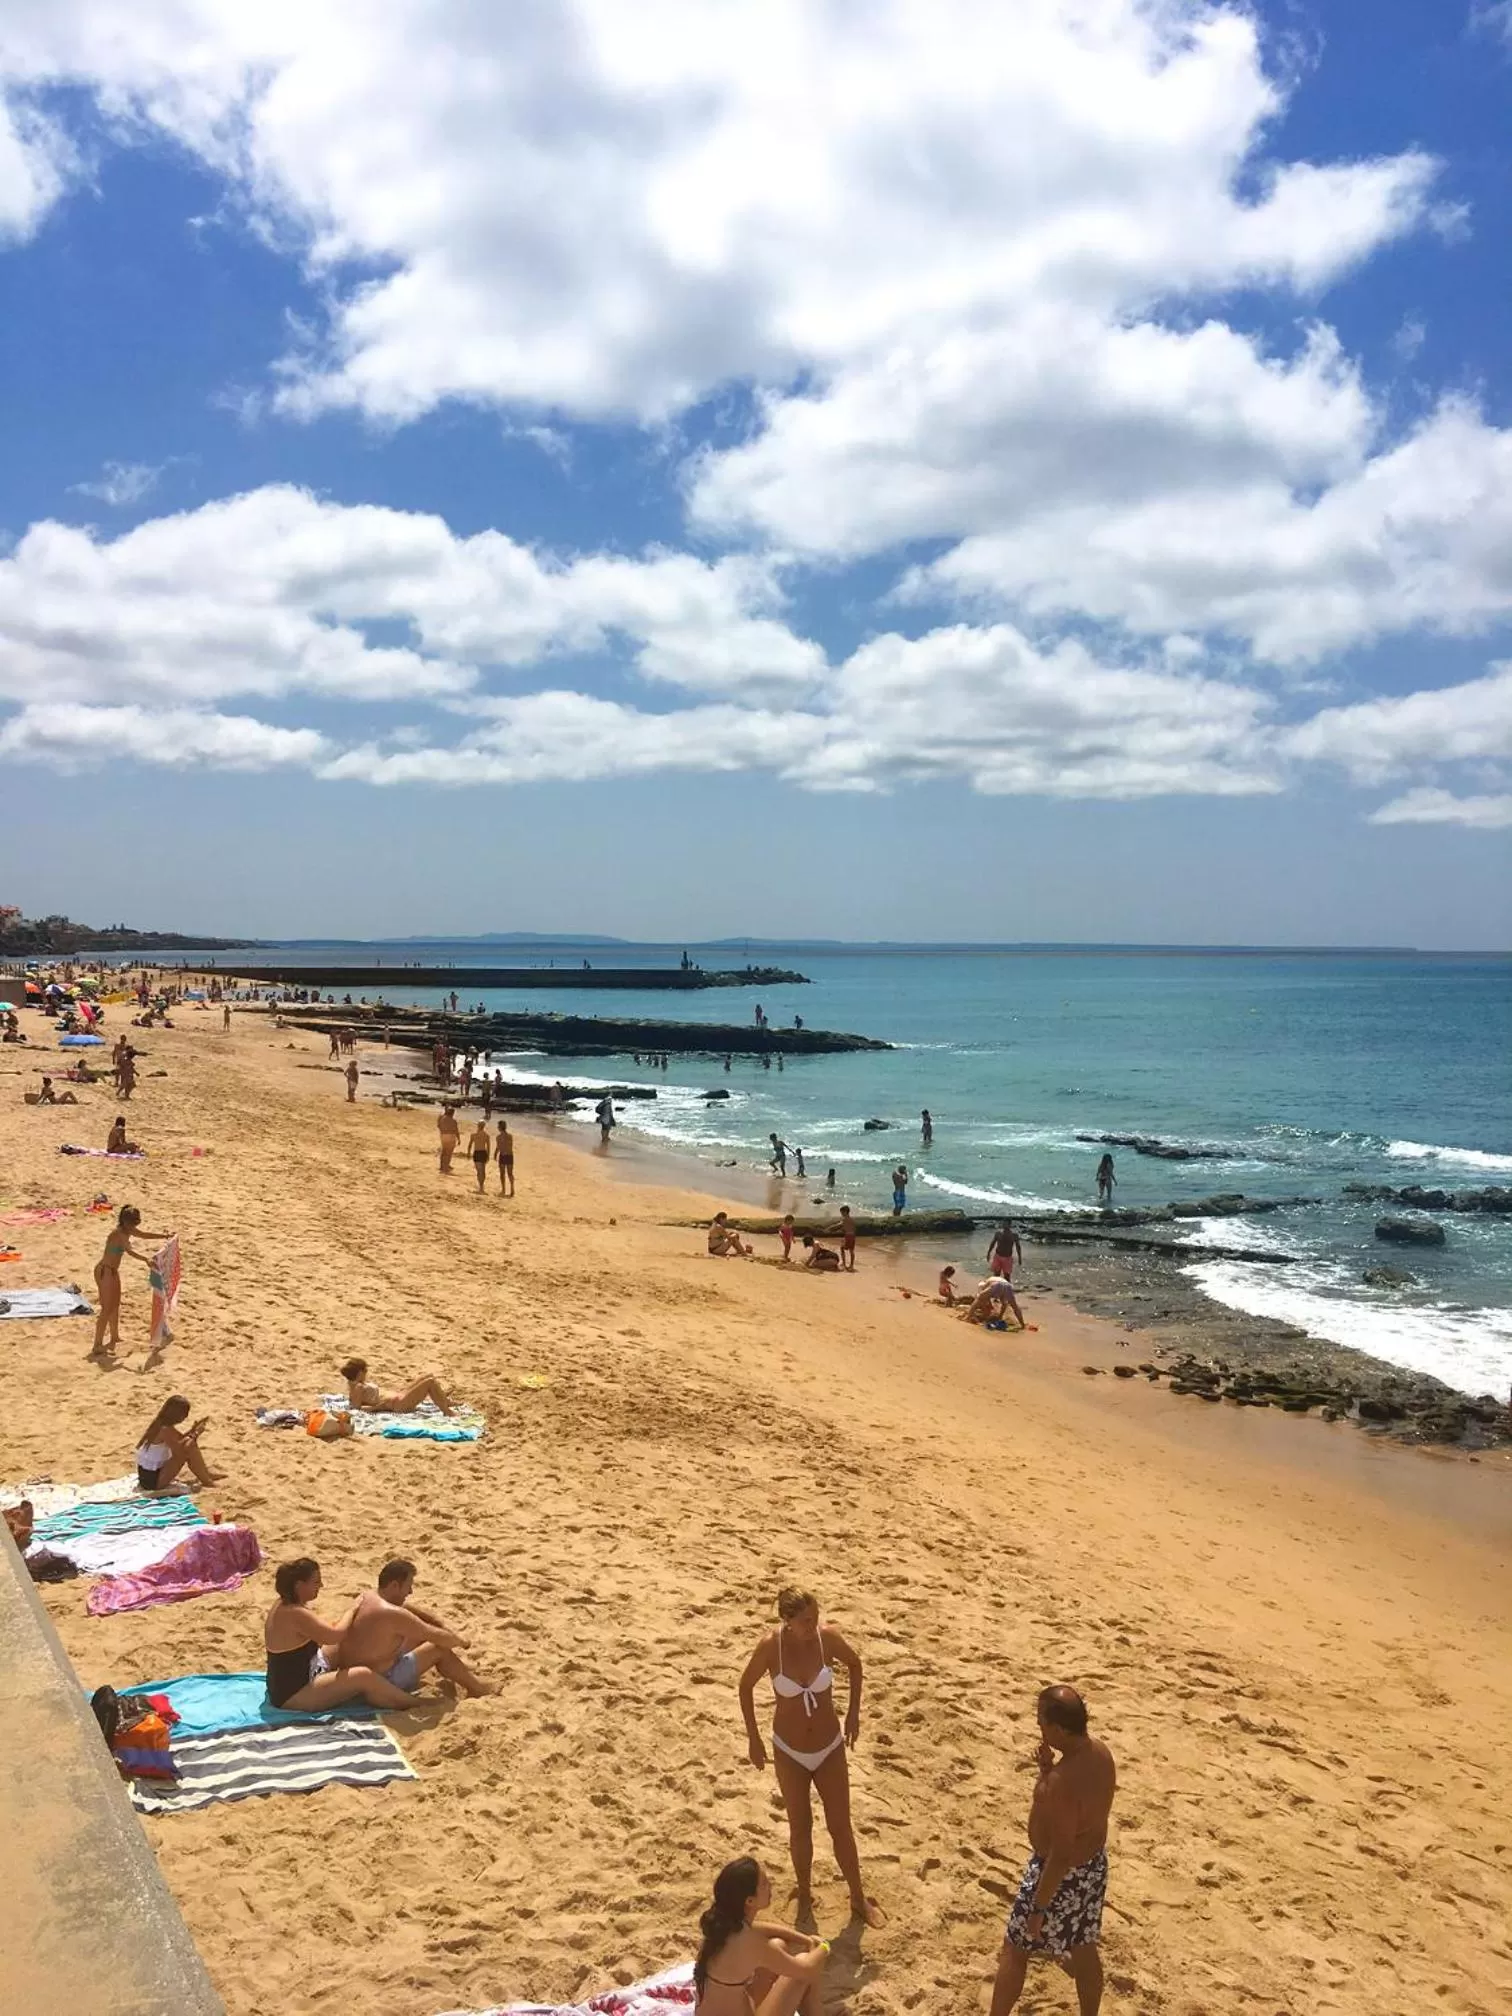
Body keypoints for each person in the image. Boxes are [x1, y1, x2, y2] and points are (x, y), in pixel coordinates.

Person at [739, 1587, 882, 1928]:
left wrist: (853, 1714)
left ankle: (858, 1897)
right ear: (786, 1621)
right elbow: (745, 1687)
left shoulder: (826, 1639)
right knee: (800, 1826)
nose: (813, 1625)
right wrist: (754, 1740)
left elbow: (855, 1664)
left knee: (840, 1826)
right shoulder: (771, 1647)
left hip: (829, 1746)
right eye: (805, 1621)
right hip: (789, 1751)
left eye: (815, 1617)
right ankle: (804, 1894)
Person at [990, 1686, 1117, 2016]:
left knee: (1016, 1949)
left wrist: (1039, 1910)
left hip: (1059, 1875)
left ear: (1059, 1729)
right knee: (1084, 1945)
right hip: (1092, 1868)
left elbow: (1060, 1852)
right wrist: (1047, 1772)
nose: (1040, 1730)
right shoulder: (1101, 1753)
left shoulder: (1064, 1779)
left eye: (1042, 1724)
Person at [264, 1559, 419, 1712]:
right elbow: (335, 1635)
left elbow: (326, 1635)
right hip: (294, 1695)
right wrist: (351, 1610)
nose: (321, 1586)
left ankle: (375, 1682)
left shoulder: (283, 1604)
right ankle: (417, 1703)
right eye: (316, 1582)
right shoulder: (295, 1614)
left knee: (344, 1642)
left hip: (305, 1669)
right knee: (363, 1675)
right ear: (299, 1586)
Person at [333, 1558, 496, 1699]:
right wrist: (461, 1642)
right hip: (381, 1681)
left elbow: (412, 1610)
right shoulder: (392, 1614)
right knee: (438, 1648)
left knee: (422, 1634)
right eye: (408, 1586)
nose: (410, 1591)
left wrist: (440, 1622)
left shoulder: (368, 1597)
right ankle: (477, 1688)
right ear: (395, 1585)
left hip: (356, 1671)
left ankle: (462, 1672)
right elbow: (438, 1637)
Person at [692, 1856, 828, 2016]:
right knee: (806, 1962)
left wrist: (804, 1939)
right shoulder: (752, 1944)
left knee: (779, 1944)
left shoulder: (724, 1926)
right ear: (749, 1900)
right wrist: (823, 1947)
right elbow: (806, 1970)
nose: (770, 1886)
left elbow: (761, 1929)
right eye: (764, 1884)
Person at [89, 1205, 172, 1363]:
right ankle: (97, 1345)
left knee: (115, 1305)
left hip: (112, 1272)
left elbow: (144, 1235)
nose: (135, 1227)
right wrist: (145, 1260)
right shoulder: (118, 1234)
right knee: (107, 1308)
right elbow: (129, 1251)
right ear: (125, 1222)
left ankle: (114, 1336)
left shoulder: (128, 1230)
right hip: (105, 1271)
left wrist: (164, 1236)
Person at [136, 1395, 222, 1488]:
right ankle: (207, 1480)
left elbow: (181, 1439)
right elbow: (180, 1451)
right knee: (189, 1447)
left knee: (190, 1445)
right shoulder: (165, 1429)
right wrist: (196, 1433)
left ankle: (206, 1475)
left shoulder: (161, 1423)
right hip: (152, 1482)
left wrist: (193, 1430)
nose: (185, 1417)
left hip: (149, 1475)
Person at [467, 1117, 492, 1191]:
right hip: (483, 1153)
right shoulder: (486, 1135)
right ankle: (482, 1185)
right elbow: (488, 1147)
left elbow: (470, 1145)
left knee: (479, 1171)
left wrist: (468, 1153)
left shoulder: (473, 1135)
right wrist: (488, 1155)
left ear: (478, 1126)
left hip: (477, 1152)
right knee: (483, 1170)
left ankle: (480, 1185)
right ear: (484, 1126)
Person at [437, 1102, 460, 1174]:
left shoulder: (442, 1118)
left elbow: (439, 1126)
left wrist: (442, 1133)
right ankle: (446, 1166)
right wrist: (459, 1139)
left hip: (444, 1136)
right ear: (452, 1113)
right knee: (449, 1153)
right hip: (451, 1136)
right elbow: (456, 1130)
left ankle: (441, 1166)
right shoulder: (454, 1121)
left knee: (443, 1151)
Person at [494, 1119, 515, 1195]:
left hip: (503, 1155)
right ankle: (512, 1188)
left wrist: (495, 1154)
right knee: (510, 1173)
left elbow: (498, 1147)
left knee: (502, 1173)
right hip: (509, 1155)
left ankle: (503, 1190)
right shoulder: (510, 1136)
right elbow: (510, 1146)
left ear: (500, 1127)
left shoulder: (498, 1137)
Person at [837, 1206, 856, 1271]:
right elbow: (853, 1228)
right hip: (852, 1236)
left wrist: (829, 1228)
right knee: (851, 1251)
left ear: (845, 1212)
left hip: (847, 1236)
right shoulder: (852, 1219)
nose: (841, 1214)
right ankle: (851, 1265)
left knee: (842, 1248)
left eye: (842, 1212)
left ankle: (844, 1264)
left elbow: (839, 1225)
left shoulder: (844, 1219)